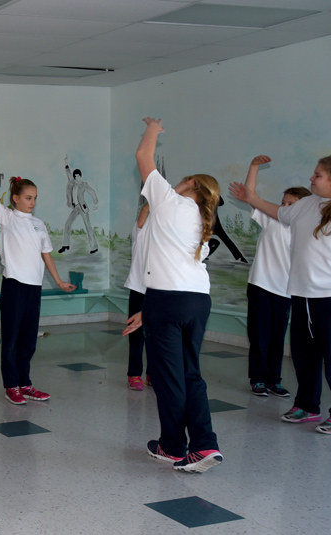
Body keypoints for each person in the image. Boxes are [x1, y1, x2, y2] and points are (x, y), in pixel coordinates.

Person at [229, 155, 331, 435]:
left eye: (318, 175)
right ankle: (308, 406)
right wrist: (251, 198)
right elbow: (277, 212)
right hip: (301, 292)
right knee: (304, 354)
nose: (312, 178)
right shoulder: (308, 205)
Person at [123, 117, 223, 473]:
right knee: (191, 373)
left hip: (168, 300)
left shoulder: (170, 202)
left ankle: (172, 447)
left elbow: (142, 155)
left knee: (169, 377)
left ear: (191, 184)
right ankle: (204, 444)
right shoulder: (201, 218)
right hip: (197, 300)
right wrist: (149, 310)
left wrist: (152, 129)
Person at [0, 145, 77, 406]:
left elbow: (46, 255)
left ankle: (25, 384)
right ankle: (11, 386)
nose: (33, 202)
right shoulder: (6, 217)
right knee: (12, 338)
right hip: (14, 287)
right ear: (15, 198)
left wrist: (59, 281)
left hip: (34, 288)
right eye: (29, 197)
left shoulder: (39, 225)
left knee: (29, 340)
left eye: (35, 198)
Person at [240, 155, 311, 397]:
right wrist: (254, 167)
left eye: (291, 204)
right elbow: (250, 194)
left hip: (285, 289)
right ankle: (258, 379)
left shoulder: (307, 229)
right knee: (259, 335)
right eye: (284, 202)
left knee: (278, 338)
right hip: (260, 285)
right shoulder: (271, 219)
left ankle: (273, 380)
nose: (285, 207)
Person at [124, 202, 150, 391]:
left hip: (158, 291)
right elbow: (144, 210)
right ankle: (134, 374)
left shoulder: (165, 234)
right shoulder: (140, 231)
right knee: (136, 334)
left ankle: (153, 373)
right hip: (138, 290)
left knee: (156, 336)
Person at [58, 155, 99, 254]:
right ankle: (65, 245)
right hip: (75, 208)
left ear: (80, 177)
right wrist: (66, 164)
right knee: (68, 224)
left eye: (78, 177)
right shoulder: (72, 183)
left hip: (83, 208)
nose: (76, 179)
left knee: (88, 225)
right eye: (75, 177)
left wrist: (95, 202)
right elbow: (68, 174)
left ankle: (94, 247)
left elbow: (92, 192)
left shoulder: (83, 185)